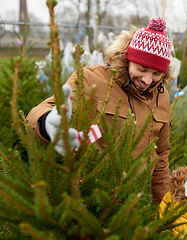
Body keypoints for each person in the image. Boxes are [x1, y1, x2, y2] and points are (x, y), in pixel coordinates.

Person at [26, 17, 174, 204]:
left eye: (156, 74)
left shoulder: (162, 97)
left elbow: (161, 156)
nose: (147, 80)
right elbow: (42, 110)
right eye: (141, 69)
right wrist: (47, 124)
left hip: (133, 205)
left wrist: (164, 208)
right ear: (128, 58)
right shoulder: (91, 79)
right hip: (90, 199)